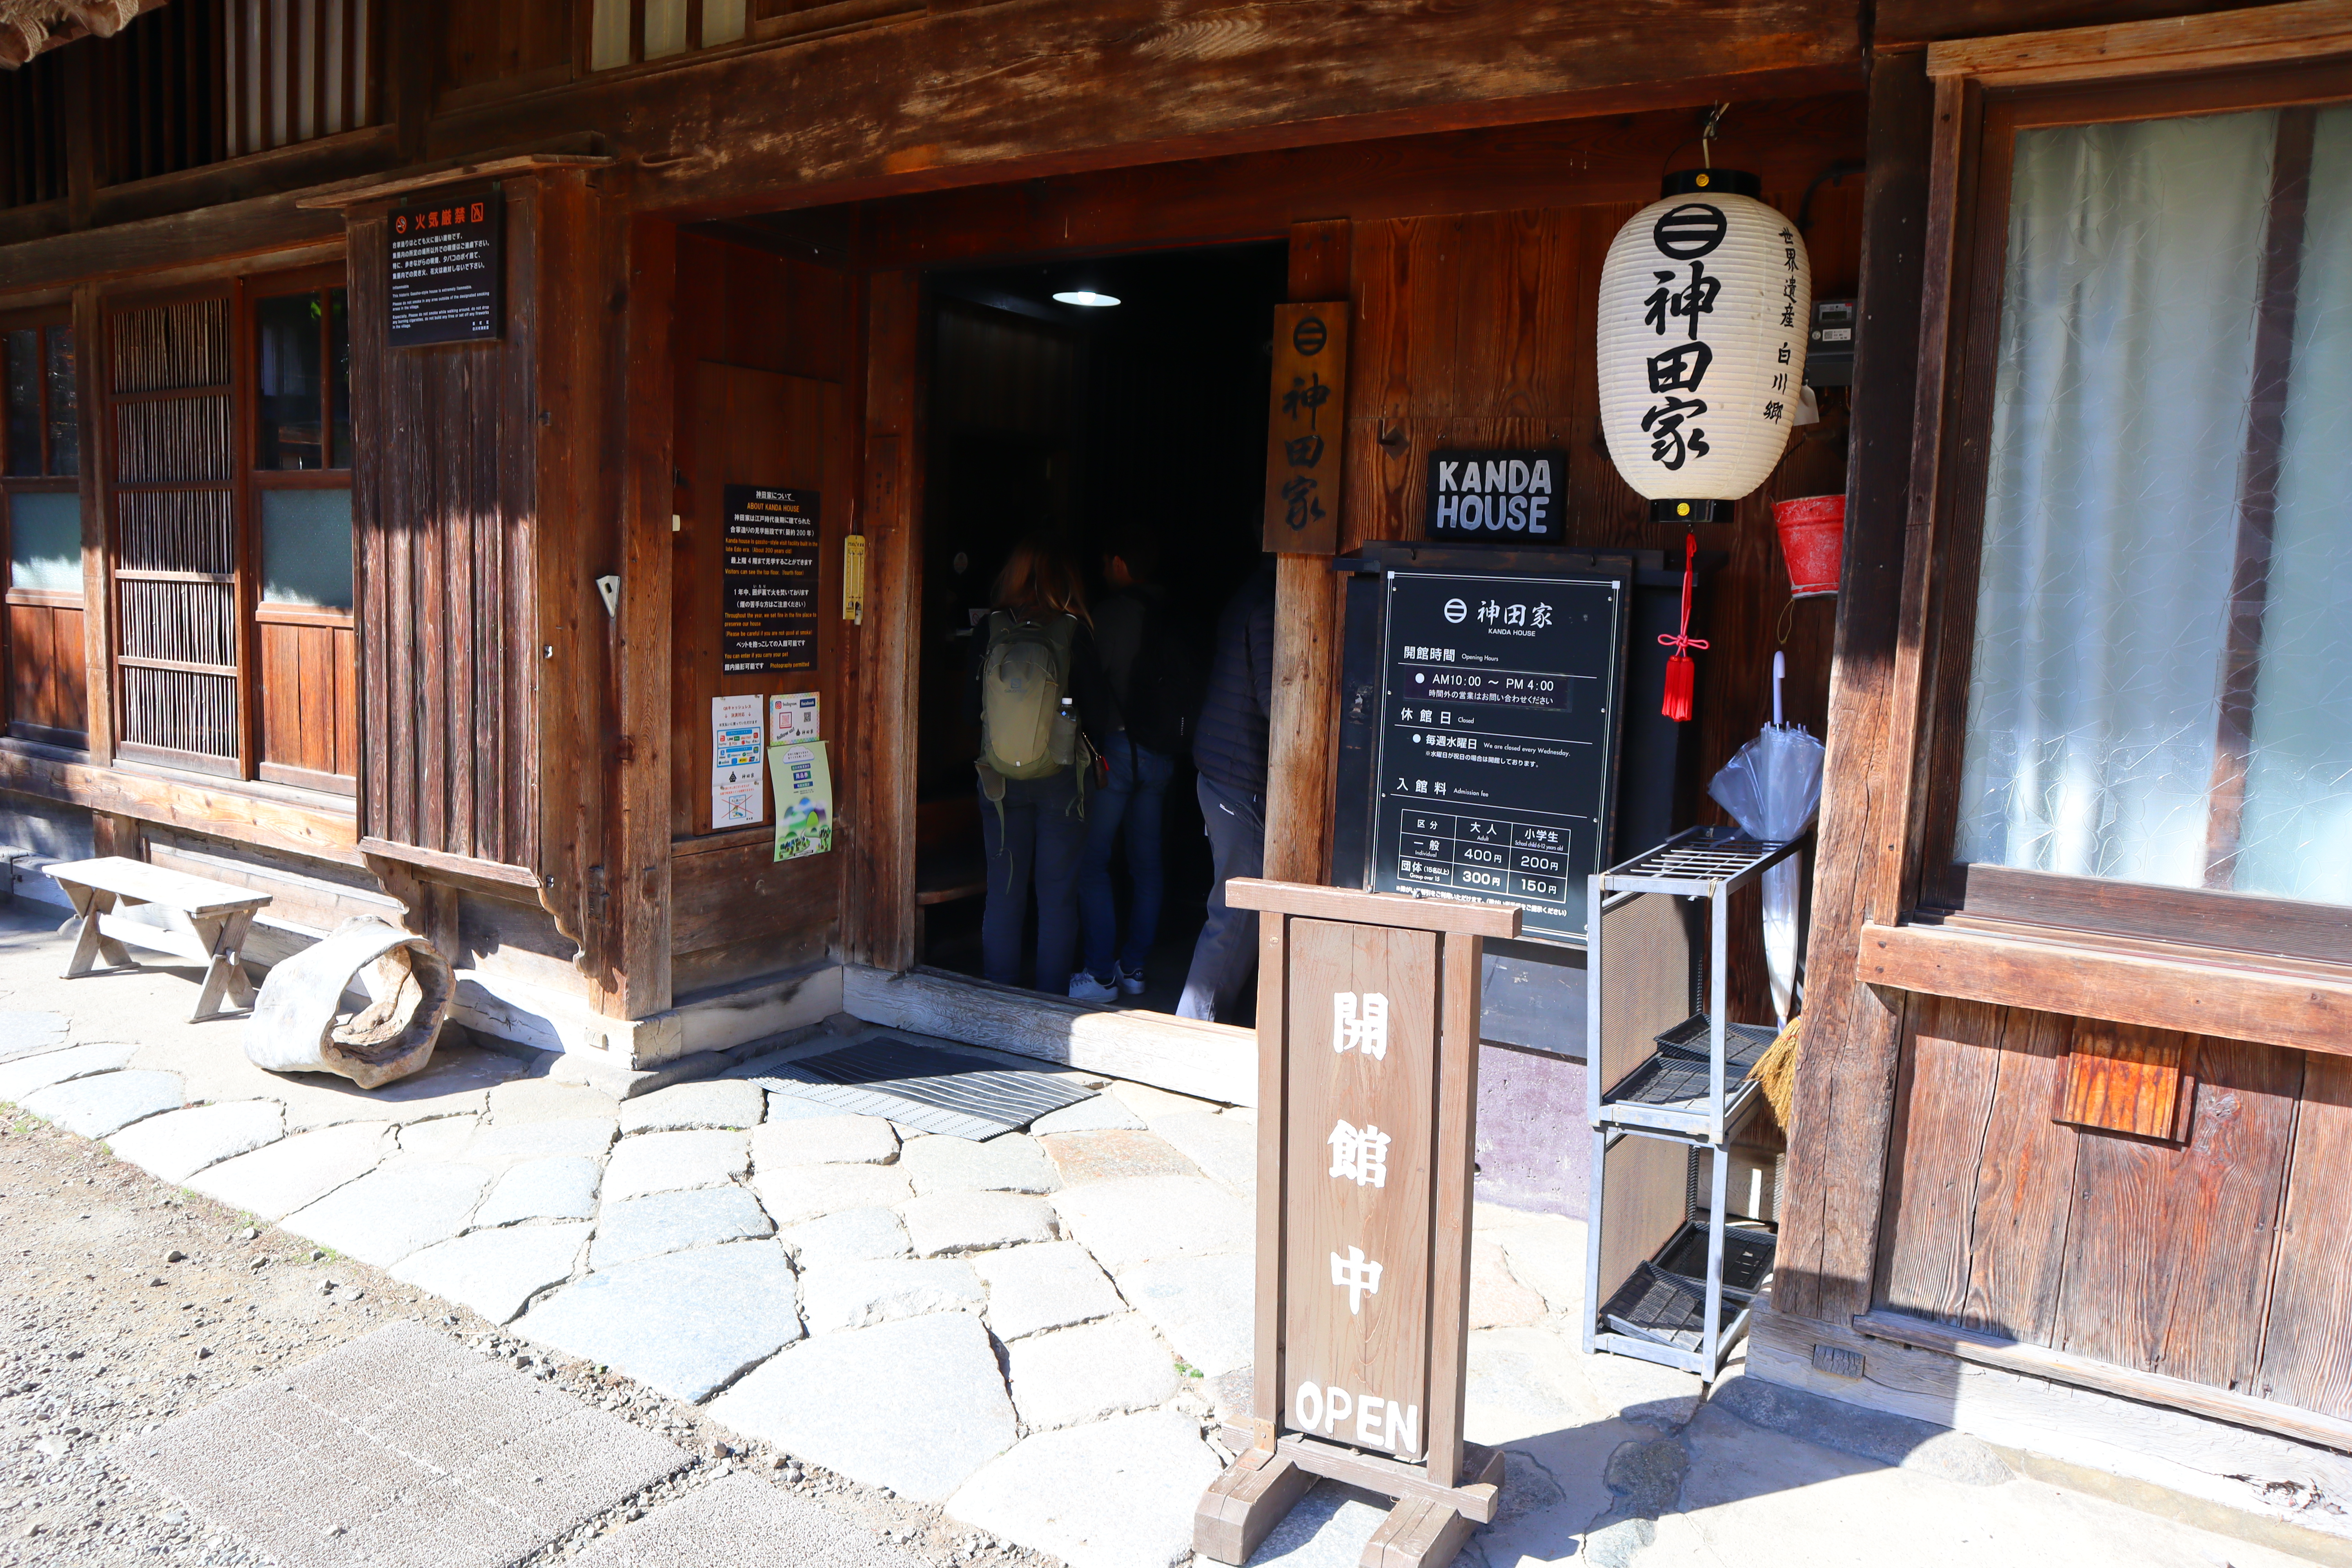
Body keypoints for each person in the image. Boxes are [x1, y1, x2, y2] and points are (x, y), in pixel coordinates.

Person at [969, 539, 1111, 997]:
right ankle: (1049, 1003)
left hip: (998, 783)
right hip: (1061, 781)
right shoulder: (1073, 630)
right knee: (1057, 898)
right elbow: (1099, 712)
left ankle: (1000, 997)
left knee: (1003, 892)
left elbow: (969, 708)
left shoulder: (988, 629)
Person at [1070, 529, 1197, 1003]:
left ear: (1120, 562)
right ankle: (1135, 966)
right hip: (1163, 755)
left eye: (1106, 563)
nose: (1104, 572)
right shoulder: (1176, 613)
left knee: (1093, 861)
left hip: (1117, 753)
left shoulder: (1112, 614)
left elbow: (1086, 682)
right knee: (1148, 864)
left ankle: (1100, 974)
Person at [1177, 557, 1276, 1022]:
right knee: (1237, 913)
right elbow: (1275, 698)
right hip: (1238, 773)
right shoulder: (1267, 603)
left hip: (1221, 766)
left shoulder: (1248, 592)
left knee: (1234, 910)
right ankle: (1194, 1029)